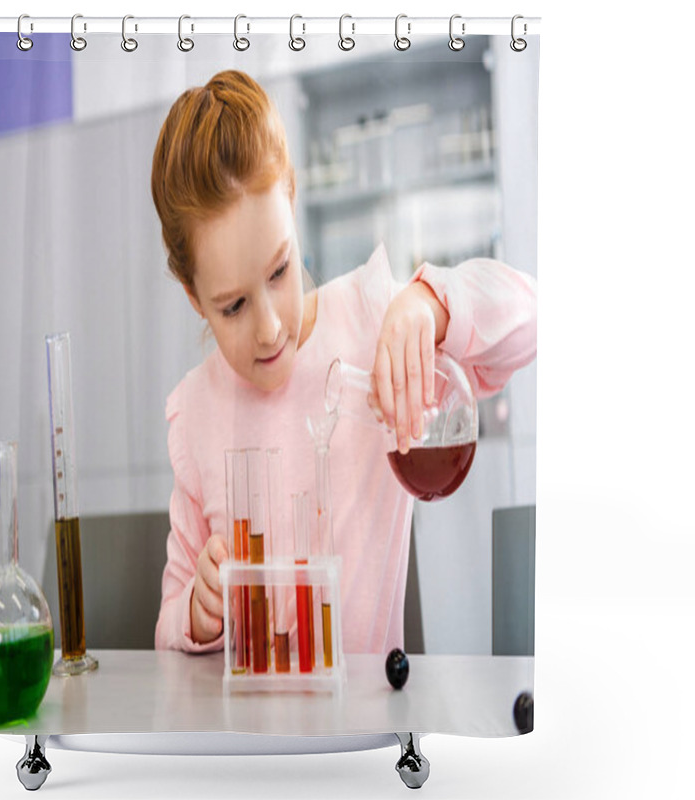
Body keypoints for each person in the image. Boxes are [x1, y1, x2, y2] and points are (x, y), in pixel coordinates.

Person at [151, 70, 536, 654]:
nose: (270, 328)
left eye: (280, 271)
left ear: (293, 198)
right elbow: (167, 624)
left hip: (365, 728)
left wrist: (429, 304)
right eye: (231, 306)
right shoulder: (196, 413)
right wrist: (197, 614)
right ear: (191, 296)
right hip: (246, 738)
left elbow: (531, 314)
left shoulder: (371, 322)